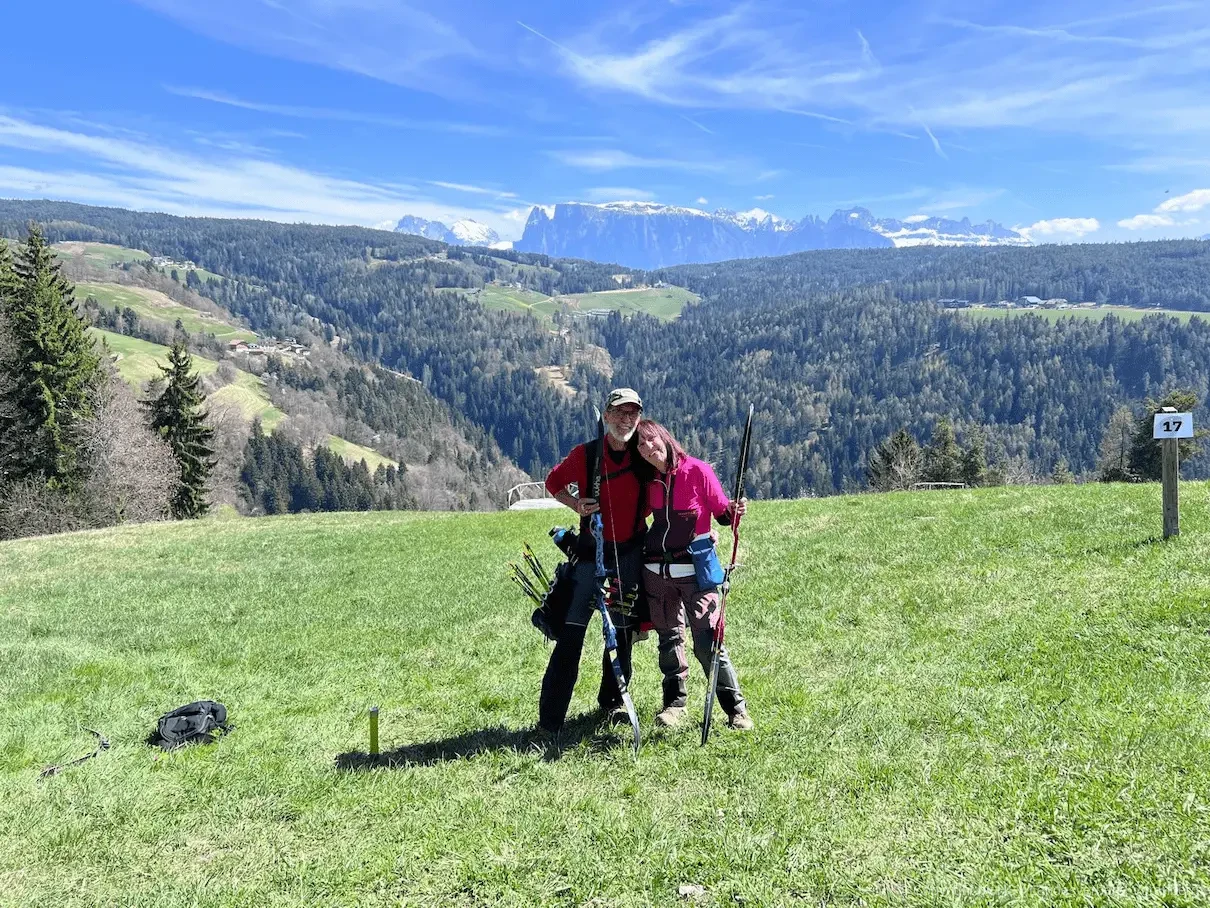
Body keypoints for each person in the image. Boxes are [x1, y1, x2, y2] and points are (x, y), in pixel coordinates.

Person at [537, 388, 650, 738]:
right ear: (605, 415)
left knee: (621, 634)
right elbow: (553, 483)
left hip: (630, 554)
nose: (625, 419)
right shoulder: (586, 455)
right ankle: (550, 721)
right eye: (618, 412)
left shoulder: (645, 453)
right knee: (571, 635)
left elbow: (677, 477)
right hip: (589, 556)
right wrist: (575, 505)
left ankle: (612, 704)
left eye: (632, 413)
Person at [635, 418, 753, 731]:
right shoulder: (647, 481)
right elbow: (636, 516)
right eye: (640, 445)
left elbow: (721, 512)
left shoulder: (697, 470)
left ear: (664, 438)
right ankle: (674, 705)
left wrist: (733, 510)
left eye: (652, 441)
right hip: (656, 572)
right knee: (669, 641)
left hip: (696, 570)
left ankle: (736, 710)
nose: (648, 449)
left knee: (707, 642)